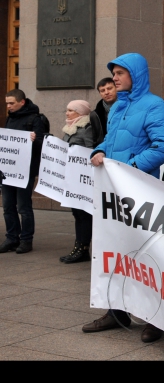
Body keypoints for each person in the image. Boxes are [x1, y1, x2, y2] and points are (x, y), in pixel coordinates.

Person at [83, 53, 164, 342]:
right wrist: (98, 151)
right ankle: (116, 311)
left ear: (135, 75)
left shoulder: (153, 106)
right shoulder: (117, 107)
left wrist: (131, 168)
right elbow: (112, 142)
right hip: (115, 195)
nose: (115, 78)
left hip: (141, 193)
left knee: (148, 255)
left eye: (121, 73)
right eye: (114, 73)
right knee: (116, 250)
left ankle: (156, 318)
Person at [0, 89, 47, 254]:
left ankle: (26, 239)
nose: (8, 106)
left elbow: (41, 144)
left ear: (22, 102)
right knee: (7, 206)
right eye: (7, 103)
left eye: (11, 103)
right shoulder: (10, 118)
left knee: (23, 207)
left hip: (24, 171)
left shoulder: (35, 119)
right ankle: (12, 237)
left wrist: (33, 141)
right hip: (8, 171)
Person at [59, 100, 95, 264]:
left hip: (83, 179)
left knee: (84, 215)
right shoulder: (69, 128)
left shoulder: (86, 128)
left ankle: (83, 248)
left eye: (71, 110)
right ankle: (78, 247)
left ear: (80, 113)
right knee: (77, 214)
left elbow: (90, 150)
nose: (67, 113)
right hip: (73, 178)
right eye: (67, 110)